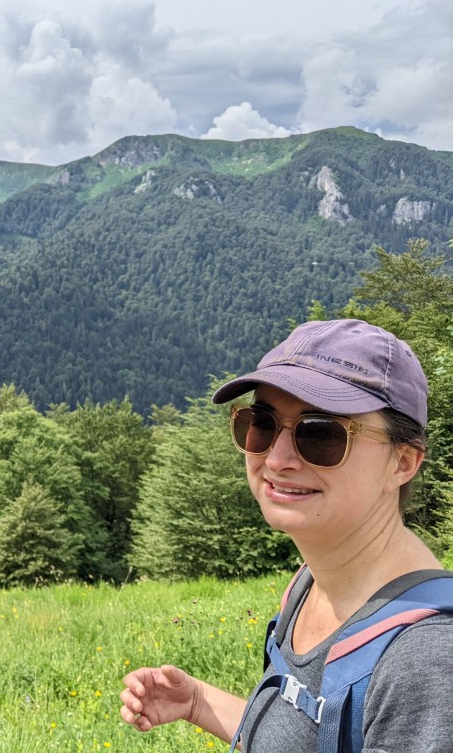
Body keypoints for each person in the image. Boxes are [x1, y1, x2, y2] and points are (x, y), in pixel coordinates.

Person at [118, 319, 453, 751]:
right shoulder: (311, 582)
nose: (276, 459)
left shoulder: (426, 661)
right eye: (262, 423)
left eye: (321, 433)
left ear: (403, 462)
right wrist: (199, 702)